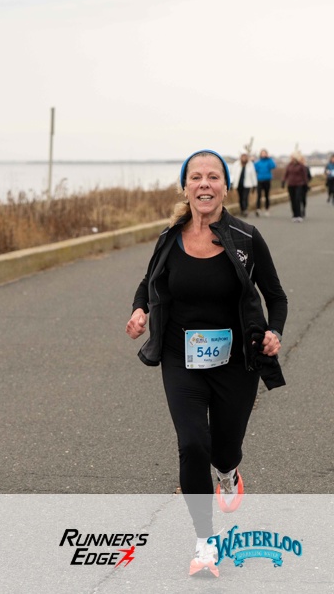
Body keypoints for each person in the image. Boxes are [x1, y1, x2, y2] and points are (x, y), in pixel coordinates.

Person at [126, 150, 288, 576]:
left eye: (213, 177)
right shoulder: (170, 237)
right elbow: (148, 282)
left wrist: (274, 333)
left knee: (223, 448)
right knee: (193, 444)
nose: (204, 184)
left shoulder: (246, 238)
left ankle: (228, 471)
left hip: (237, 361)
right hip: (180, 357)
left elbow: (276, 296)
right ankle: (204, 543)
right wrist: (140, 311)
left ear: (225, 188)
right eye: (195, 177)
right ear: (185, 188)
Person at [282, 151, 309, 222]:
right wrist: (283, 181)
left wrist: (306, 185)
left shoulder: (301, 166)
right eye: (291, 157)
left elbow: (304, 176)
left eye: (293, 157)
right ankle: (294, 214)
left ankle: (299, 215)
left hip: (299, 184)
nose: (292, 158)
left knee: (297, 199)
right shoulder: (289, 165)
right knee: (292, 200)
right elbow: (286, 174)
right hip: (291, 185)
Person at [230, 152, 257, 217]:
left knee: (245, 197)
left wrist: (254, 185)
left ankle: (245, 210)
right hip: (239, 184)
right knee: (241, 197)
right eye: (243, 157)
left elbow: (253, 175)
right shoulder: (236, 164)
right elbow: (233, 174)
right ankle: (242, 210)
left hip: (247, 184)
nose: (244, 158)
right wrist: (231, 183)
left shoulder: (250, 165)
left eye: (245, 157)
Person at [254, 149, 277, 216]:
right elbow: (254, 168)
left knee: (267, 195)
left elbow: (273, 166)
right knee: (259, 195)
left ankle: (267, 209)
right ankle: (258, 209)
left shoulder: (269, 161)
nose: (263, 154)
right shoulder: (258, 162)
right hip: (260, 179)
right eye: (262, 153)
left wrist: (269, 158)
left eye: (264, 153)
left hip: (267, 180)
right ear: (260, 154)